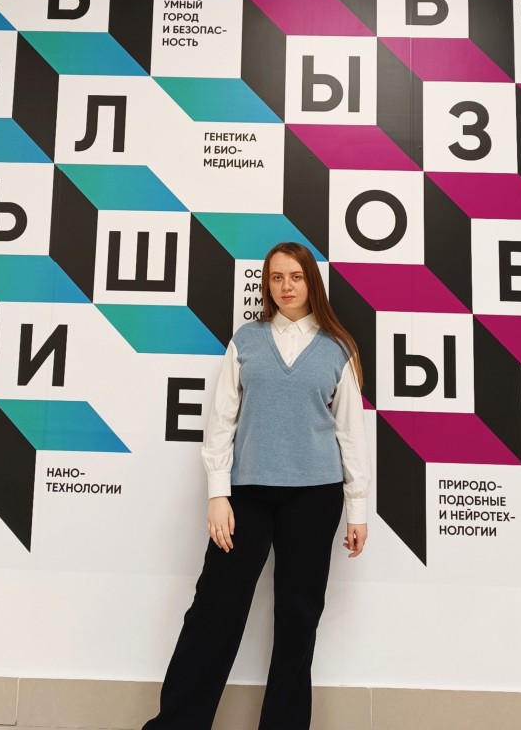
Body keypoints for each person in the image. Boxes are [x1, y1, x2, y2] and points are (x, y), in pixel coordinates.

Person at [142, 241, 371, 730]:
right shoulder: (246, 341)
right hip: (247, 496)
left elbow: (351, 435)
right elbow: (221, 422)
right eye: (276, 278)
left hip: (315, 497)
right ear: (266, 285)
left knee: (298, 617)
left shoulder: (337, 348)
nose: (286, 287)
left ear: (311, 282)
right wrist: (218, 494)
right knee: (214, 611)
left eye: (296, 277)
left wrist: (357, 509)